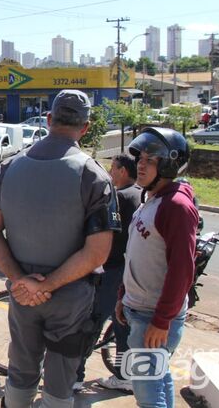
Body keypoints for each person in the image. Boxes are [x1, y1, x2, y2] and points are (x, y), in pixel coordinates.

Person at [0, 89, 119, 408]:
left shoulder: (9, 167)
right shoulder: (93, 175)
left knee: (20, 373)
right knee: (59, 384)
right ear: (85, 127)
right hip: (70, 299)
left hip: (22, 296)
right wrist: (50, 285)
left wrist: (21, 281)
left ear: (49, 120)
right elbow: (98, 253)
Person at [115, 127, 198, 408]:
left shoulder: (176, 206)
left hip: (153, 317)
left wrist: (161, 321)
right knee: (159, 380)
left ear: (169, 165)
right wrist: (123, 295)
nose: (140, 163)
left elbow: (183, 270)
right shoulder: (151, 198)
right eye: (141, 157)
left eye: (150, 160)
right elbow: (137, 253)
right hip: (140, 309)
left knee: (148, 396)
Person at [79, 154, 142, 393]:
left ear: (124, 171)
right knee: (121, 323)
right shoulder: (138, 194)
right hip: (127, 270)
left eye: (113, 168)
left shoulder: (121, 197)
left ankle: (76, 375)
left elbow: (105, 233)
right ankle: (124, 375)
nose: (109, 171)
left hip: (111, 268)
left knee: (92, 320)